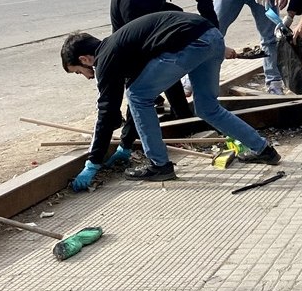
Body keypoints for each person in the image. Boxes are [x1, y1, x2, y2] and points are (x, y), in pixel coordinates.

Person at [60, 11, 280, 190]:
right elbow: (134, 99)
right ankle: (263, 150)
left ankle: (160, 165)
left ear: (85, 59)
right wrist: (126, 145)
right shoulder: (121, 47)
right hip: (211, 37)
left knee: (138, 96)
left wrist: (92, 163)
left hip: (192, 43)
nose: (87, 76)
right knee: (207, 107)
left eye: (79, 72)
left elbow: (107, 111)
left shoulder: (106, 59)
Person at [108, 0, 232, 158]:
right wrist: (216, 39)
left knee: (133, 62)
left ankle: (177, 113)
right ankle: (132, 138)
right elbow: (205, 5)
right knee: (158, 62)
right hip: (140, 4)